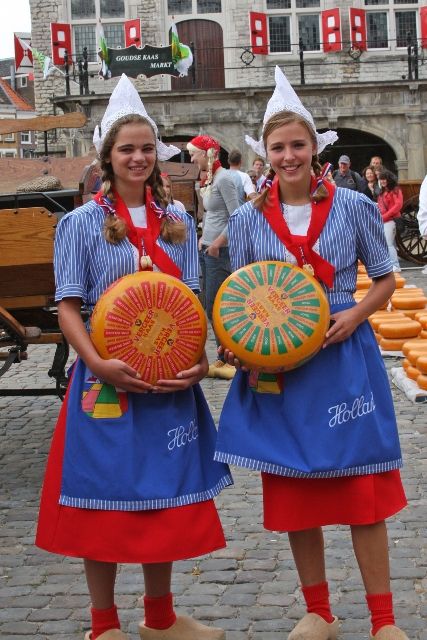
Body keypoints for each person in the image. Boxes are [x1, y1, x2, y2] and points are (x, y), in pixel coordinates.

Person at [215, 66, 408, 640]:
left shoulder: (352, 207)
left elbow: (387, 278)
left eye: (298, 144)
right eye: (278, 147)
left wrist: (354, 314)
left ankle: (383, 620)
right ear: (265, 153)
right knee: (300, 492)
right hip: (284, 372)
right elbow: (240, 296)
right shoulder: (249, 220)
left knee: (362, 491)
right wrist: (243, 349)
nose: (289, 155)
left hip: (345, 363)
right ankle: (318, 612)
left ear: (316, 148)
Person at [35, 75, 232, 640]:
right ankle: (104, 626)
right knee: (103, 501)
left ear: (160, 155)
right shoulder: (79, 225)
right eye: (128, 149)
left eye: (148, 148)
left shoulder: (176, 224)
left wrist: (196, 361)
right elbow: (68, 307)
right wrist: (95, 364)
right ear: (108, 156)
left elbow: (190, 301)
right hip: (106, 383)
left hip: (170, 384)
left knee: (162, 499)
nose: (139, 157)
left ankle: (161, 620)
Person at [187, 134, 239, 380]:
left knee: (218, 304)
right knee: (209, 304)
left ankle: (226, 356)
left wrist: (218, 242)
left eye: (193, 154)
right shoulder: (211, 179)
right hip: (208, 246)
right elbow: (212, 214)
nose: (191, 158)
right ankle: (222, 355)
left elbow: (237, 216)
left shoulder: (225, 179)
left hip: (220, 250)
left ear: (206, 154)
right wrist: (204, 236)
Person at [377, 169, 403, 273]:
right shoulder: (384, 191)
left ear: (389, 179)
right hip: (385, 220)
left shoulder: (395, 190)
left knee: (389, 244)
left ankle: (395, 265)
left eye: (384, 179)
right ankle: (391, 264)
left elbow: (398, 206)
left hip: (390, 220)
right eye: (381, 179)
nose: (382, 181)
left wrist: (384, 216)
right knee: (388, 243)